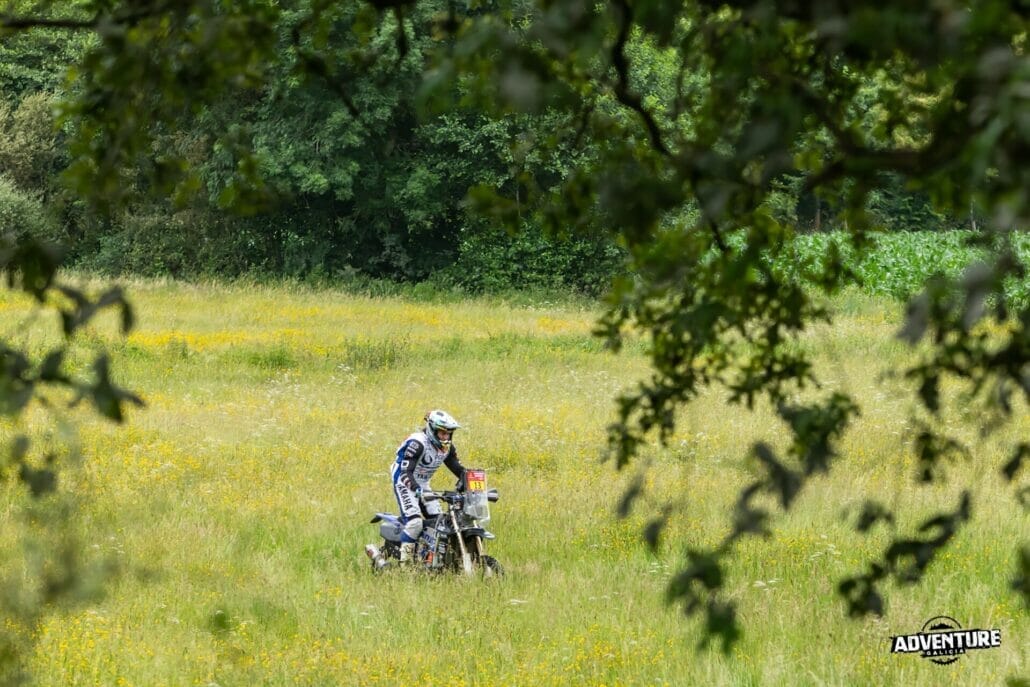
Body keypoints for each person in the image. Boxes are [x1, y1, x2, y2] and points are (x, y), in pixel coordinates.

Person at [391, 409, 467, 564]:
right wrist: (417, 489)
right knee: (415, 522)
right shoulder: (418, 443)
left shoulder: (447, 448)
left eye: (449, 434)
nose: (446, 437)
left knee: (440, 522)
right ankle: (405, 566)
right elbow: (405, 472)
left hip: (423, 483)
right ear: (432, 429)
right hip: (403, 480)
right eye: (442, 433)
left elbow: (457, 467)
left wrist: (469, 479)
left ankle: (430, 558)